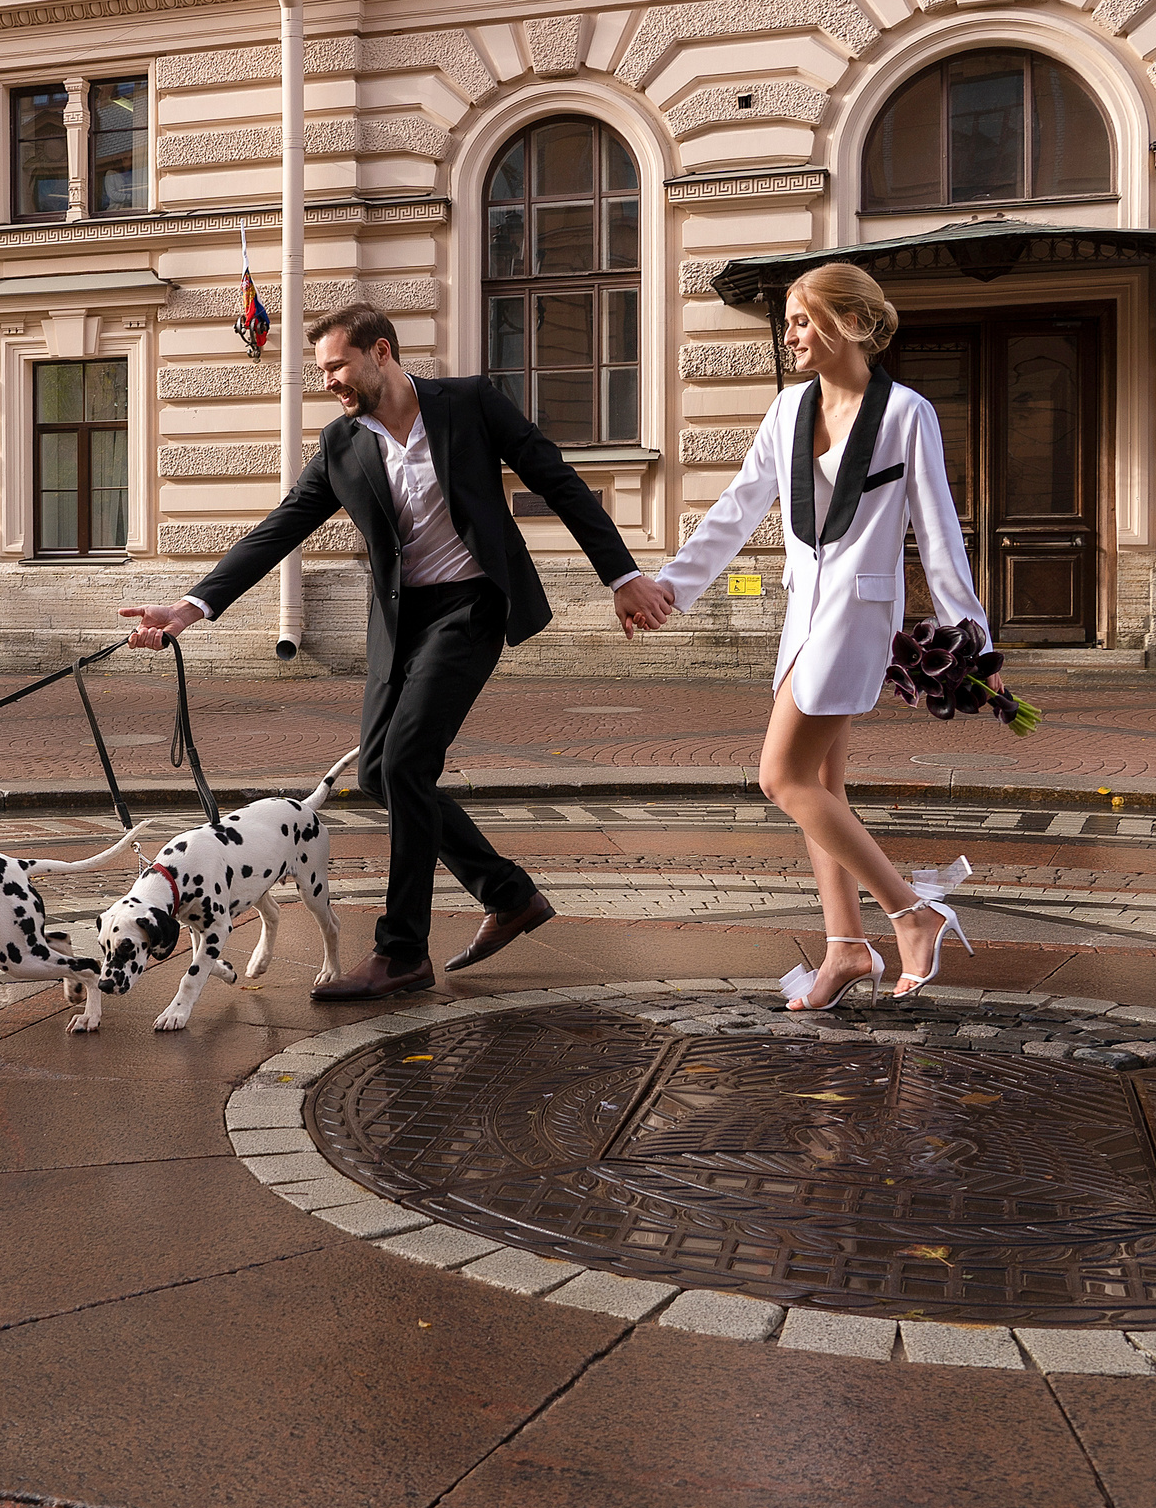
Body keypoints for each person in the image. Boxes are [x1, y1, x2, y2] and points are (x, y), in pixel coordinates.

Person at [121, 304, 673, 1004]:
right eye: (321, 371)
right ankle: (509, 893)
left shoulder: (470, 403)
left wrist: (622, 577)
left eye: (335, 366)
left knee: (408, 761)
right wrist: (191, 608)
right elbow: (279, 527)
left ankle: (403, 951)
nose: (328, 382)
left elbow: (556, 479)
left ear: (381, 352)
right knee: (382, 773)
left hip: (471, 608)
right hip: (401, 623)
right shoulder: (343, 443)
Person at [634, 263, 988, 1008]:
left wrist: (969, 634)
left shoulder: (906, 414)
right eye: (790, 321)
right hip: (801, 616)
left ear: (849, 324)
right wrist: (672, 584)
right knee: (822, 785)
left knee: (781, 778)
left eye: (803, 320)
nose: (790, 335)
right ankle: (845, 948)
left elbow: (938, 529)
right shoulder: (787, 411)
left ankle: (911, 914)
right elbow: (737, 508)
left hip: (860, 619)